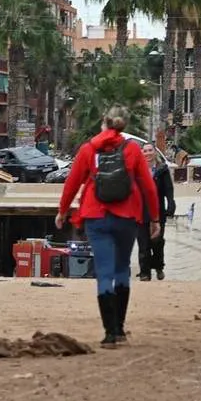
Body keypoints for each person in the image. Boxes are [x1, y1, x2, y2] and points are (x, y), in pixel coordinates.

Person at [57, 108, 160, 349]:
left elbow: (72, 182)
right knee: (122, 268)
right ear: (124, 125)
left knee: (104, 273)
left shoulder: (88, 149)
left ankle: (109, 334)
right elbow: (148, 186)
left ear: (104, 123)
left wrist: (63, 211)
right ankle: (120, 328)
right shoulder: (133, 149)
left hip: (96, 215)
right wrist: (155, 218)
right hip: (127, 215)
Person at [137, 143, 176, 282]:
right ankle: (144, 272)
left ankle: (158, 266)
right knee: (143, 243)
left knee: (157, 242)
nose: (147, 153)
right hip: (141, 211)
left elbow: (168, 189)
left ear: (155, 153)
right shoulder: (136, 170)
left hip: (158, 212)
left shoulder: (162, 170)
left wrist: (171, 203)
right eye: (145, 151)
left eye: (150, 150)